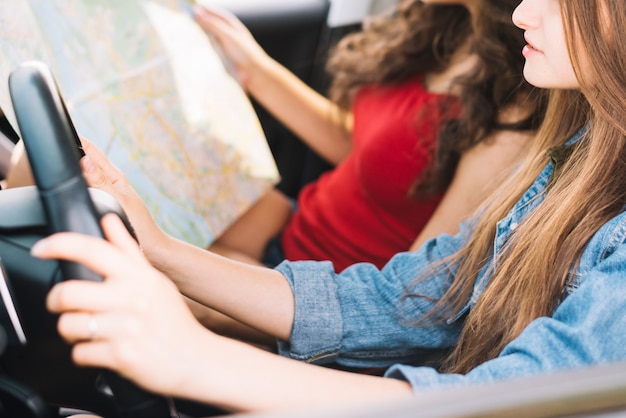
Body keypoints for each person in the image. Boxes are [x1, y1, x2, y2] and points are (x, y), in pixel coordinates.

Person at [32, 0, 626, 413]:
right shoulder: (579, 152)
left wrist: (196, 358)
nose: (524, 10)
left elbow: (515, 400)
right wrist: (163, 249)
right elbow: (417, 297)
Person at [200, 0, 546, 271]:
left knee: (154, 278)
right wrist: (254, 70)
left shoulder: (515, 106)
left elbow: (413, 288)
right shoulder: (449, 27)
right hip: (295, 224)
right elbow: (370, 150)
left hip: (322, 289)